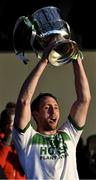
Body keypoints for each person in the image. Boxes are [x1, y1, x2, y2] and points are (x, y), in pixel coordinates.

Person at [12, 42, 91, 180]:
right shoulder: (26, 139)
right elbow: (24, 102)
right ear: (35, 114)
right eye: (47, 108)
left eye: (55, 107)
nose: (53, 112)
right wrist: (44, 61)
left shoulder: (69, 134)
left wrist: (76, 59)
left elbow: (84, 100)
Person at [0, 102, 26, 179]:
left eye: (15, 124)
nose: (12, 128)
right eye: (9, 124)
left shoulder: (24, 141)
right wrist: (7, 138)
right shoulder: (2, 142)